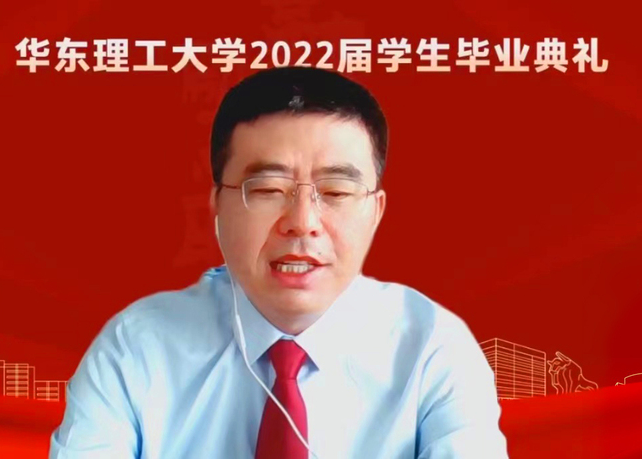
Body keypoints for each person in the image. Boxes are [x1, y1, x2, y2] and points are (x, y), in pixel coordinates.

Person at [49, 66, 509, 458]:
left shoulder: (433, 350)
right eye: (268, 189)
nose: (302, 222)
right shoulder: (136, 350)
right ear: (218, 205)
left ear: (376, 211)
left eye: (336, 192)